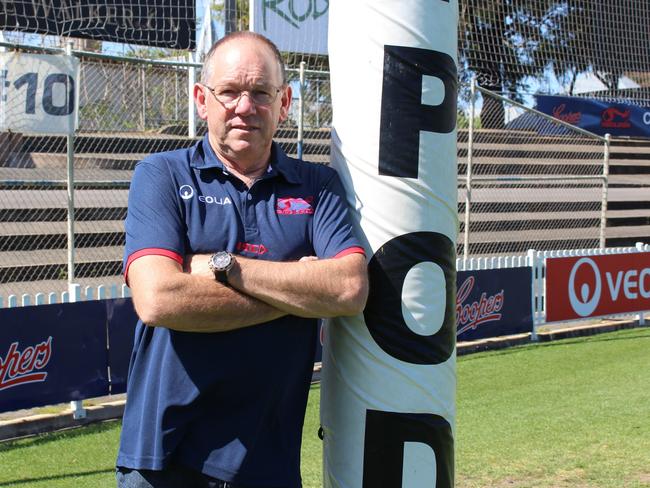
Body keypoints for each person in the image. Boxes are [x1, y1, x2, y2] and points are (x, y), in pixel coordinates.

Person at [115, 32, 368, 487]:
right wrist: (301, 291)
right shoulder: (162, 175)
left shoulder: (318, 185)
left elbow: (349, 288)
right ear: (201, 99)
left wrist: (222, 267)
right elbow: (157, 299)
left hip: (267, 458)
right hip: (165, 457)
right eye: (229, 91)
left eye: (260, 93)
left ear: (284, 101)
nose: (244, 106)